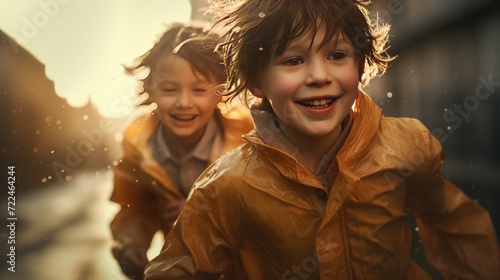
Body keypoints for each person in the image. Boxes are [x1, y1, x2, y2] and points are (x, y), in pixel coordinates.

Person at [144, 1, 500, 279]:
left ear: (361, 66)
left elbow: (455, 223)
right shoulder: (228, 185)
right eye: (293, 60)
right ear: (255, 82)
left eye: (337, 55)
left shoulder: (406, 146)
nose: (318, 75)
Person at [109, 22, 253, 279]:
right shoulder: (139, 143)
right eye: (169, 89)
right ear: (150, 89)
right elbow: (136, 208)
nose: (184, 103)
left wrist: (206, 212)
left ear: (220, 91)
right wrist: (130, 245)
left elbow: (270, 213)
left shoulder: (248, 141)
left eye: (199, 90)